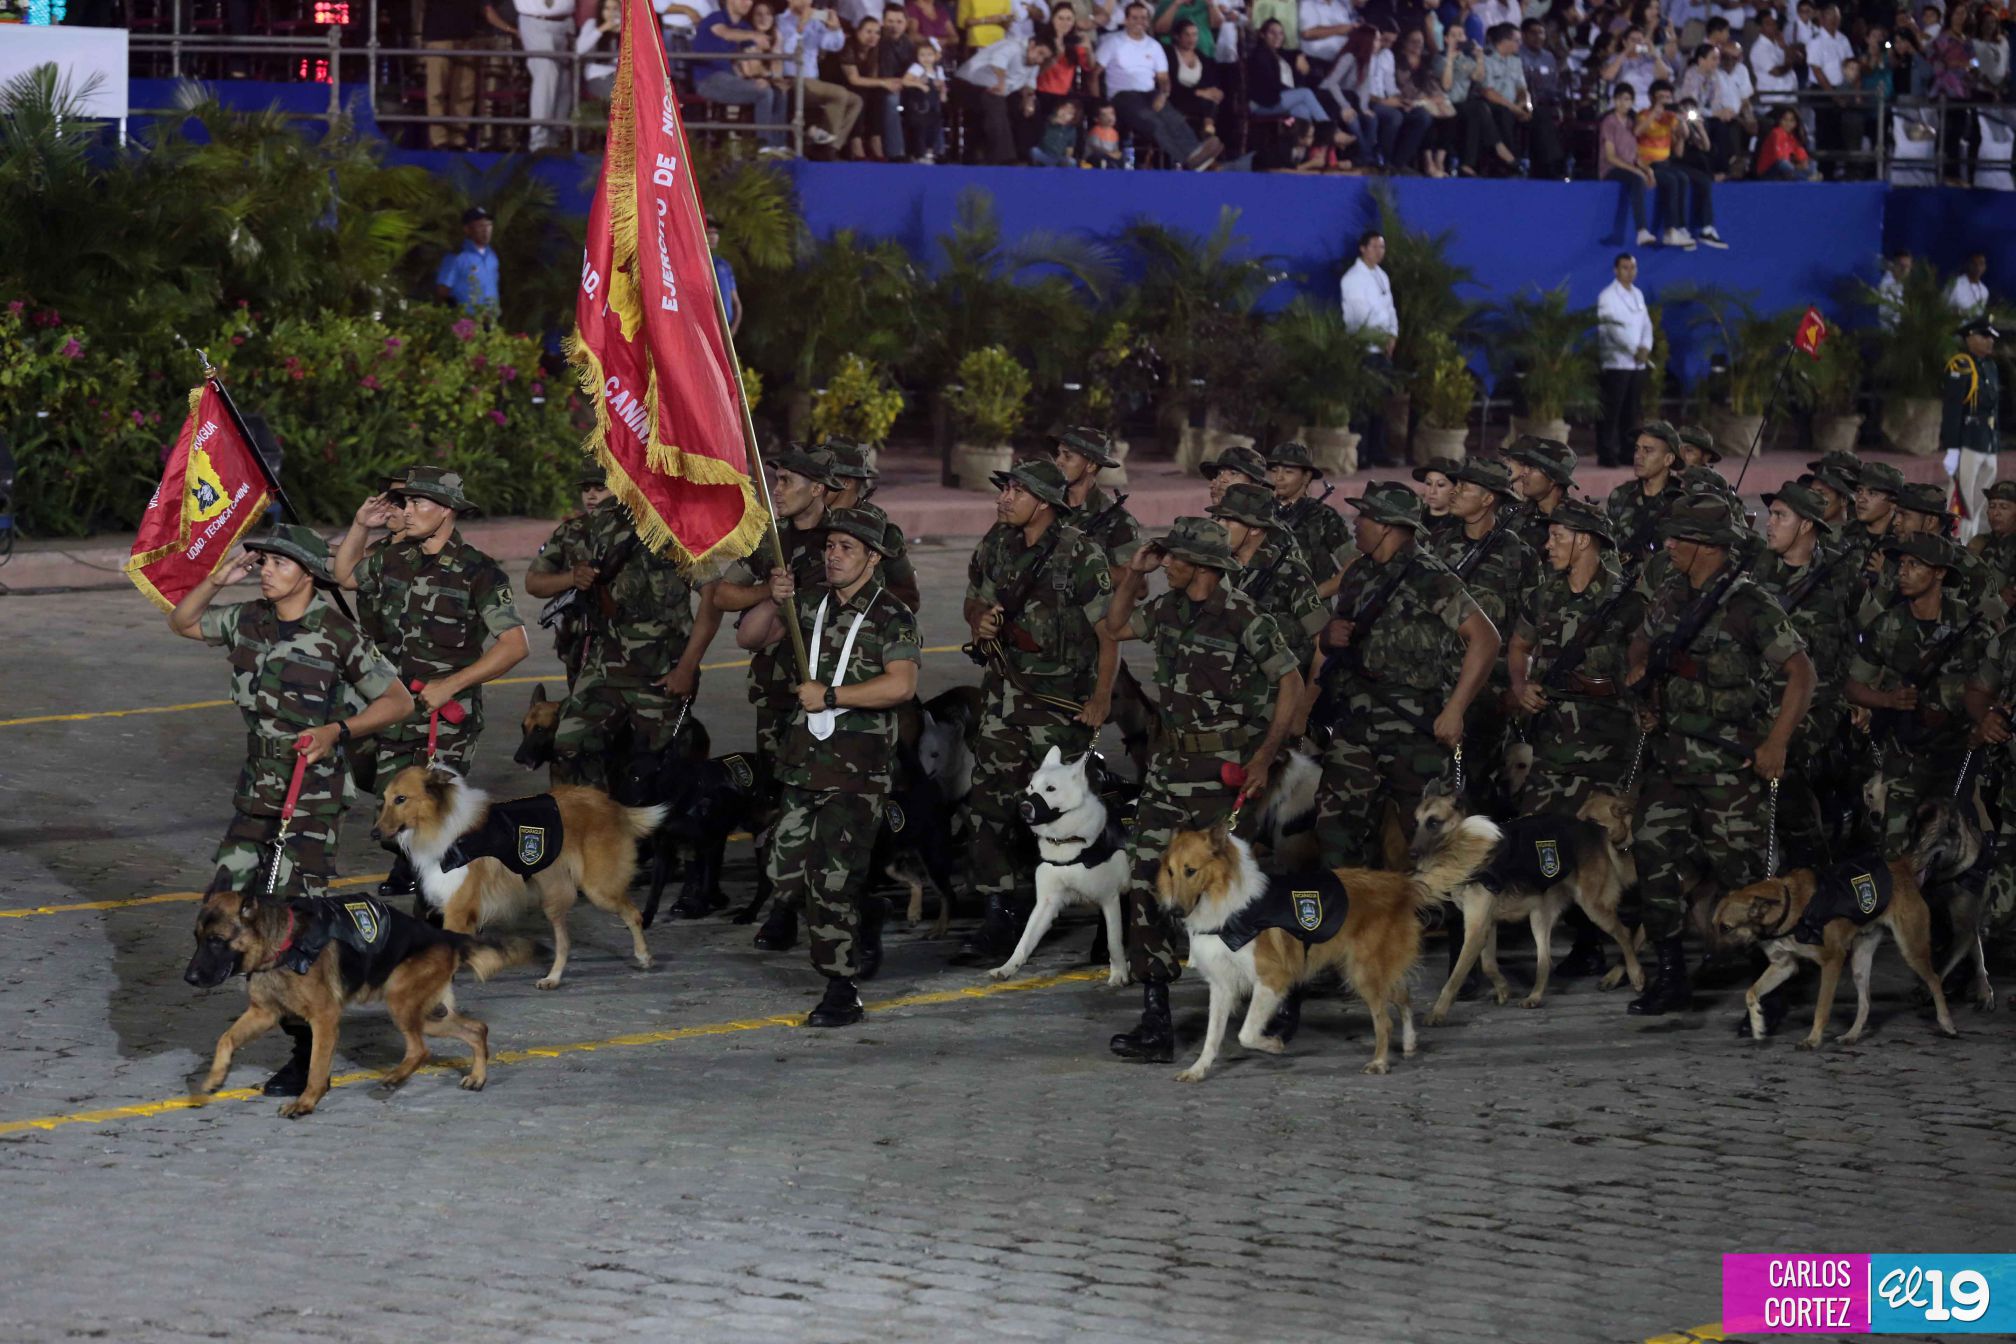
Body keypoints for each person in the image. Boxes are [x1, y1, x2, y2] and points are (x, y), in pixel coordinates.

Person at [167, 525, 413, 1095]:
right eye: (264, 561)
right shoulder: (246, 618)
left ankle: (306, 1055)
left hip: (312, 795)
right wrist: (216, 579)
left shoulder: (335, 633)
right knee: (223, 897)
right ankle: (240, 985)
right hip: (258, 786)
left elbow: (398, 701)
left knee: (295, 924)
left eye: (279, 562)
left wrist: (338, 729)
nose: (266, 569)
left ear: (307, 572)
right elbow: (182, 622)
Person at [1094, 517, 1302, 1064]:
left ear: (1204, 566)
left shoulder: (1243, 617)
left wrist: (1263, 755)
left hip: (1224, 773)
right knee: (1146, 873)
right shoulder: (1167, 608)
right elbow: (1113, 628)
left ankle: (1272, 993)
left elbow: (1291, 682)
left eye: (1176, 558)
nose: (1167, 564)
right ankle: (1156, 1014)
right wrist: (1131, 577)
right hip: (1170, 767)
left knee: (1232, 891)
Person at [1623, 498, 1813, 1017]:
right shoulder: (1670, 592)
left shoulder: (1749, 604)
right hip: (1671, 756)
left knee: (1744, 878)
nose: (1671, 546)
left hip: (1729, 766)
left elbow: (1802, 674)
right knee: (1650, 852)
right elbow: (1640, 644)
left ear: (1708, 547)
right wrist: (1641, 678)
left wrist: (1776, 743)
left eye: (1680, 538)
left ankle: (1770, 983)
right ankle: (1670, 976)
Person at [743, 505, 920, 1027]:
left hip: (856, 771)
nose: (833, 555)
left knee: (833, 882)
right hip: (804, 762)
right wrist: (771, 598)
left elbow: (902, 684)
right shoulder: (811, 603)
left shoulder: (891, 615)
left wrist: (835, 694)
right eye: (830, 546)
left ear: (872, 556)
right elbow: (749, 637)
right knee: (781, 870)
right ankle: (865, 914)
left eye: (846, 548)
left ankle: (840, 987)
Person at [667, 446, 841, 949]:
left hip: (836, 692)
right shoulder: (772, 540)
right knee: (779, 801)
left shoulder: (847, 538)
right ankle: (783, 905)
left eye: (787, 481)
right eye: (777, 479)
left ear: (819, 489)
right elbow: (720, 594)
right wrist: (768, 591)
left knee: (832, 800)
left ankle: (834, 905)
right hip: (778, 692)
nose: (778, 489)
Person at [954, 460, 1115, 965]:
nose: (1003, 498)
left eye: (1015, 491)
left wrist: (1101, 699)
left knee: (1064, 813)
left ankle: (1101, 907)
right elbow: (972, 602)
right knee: (990, 804)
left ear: (1043, 502)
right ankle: (1000, 911)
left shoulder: (1081, 555)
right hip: (1004, 698)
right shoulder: (996, 544)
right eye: (1004, 489)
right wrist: (981, 621)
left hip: (1059, 708)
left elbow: (1109, 635)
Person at [1303, 482, 1500, 870]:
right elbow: (1337, 640)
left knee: (1429, 839)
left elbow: (1486, 639)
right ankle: (1348, 916)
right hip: (1356, 722)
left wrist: (1456, 710)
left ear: (1389, 526)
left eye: (1365, 516)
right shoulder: (1358, 573)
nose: (1355, 523)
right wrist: (1329, 636)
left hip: (1415, 730)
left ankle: (1435, 924)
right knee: (1336, 828)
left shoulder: (1429, 576)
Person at [1848, 533, 1986, 856]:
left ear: (1939, 573)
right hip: (1905, 758)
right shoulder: (1888, 625)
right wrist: (1887, 700)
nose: (1903, 572)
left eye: (1915, 564)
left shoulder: (1969, 625)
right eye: (1901, 564)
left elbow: (1996, 684)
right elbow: (1853, 684)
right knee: (1895, 852)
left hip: (1958, 757)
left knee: (1960, 852)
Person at [1508, 497, 1645, 817]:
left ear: (1583, 540)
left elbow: (1643, 662)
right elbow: (1518, 646)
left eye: (1558, 536)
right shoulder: (1544, 596)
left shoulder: (1626, 601)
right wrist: (1520, 685)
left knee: (1596, 848)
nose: (1548, 546)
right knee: (1540, 845)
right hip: (1549, 751)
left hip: (1606, 754)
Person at [1751, 480, 1855, 874]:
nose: (1769, 523)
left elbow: (1864, 641)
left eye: (1780, 516)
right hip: (1760, 701)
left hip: (1816, 708)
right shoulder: (1754, 570)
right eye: (1770, 514)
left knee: (1786, 767)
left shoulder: (1840, 578)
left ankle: (1814, 874)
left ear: (1807, 525)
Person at [1434, 458, 1533, 816]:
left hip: (1490, 691)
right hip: (1438, 683)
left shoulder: (1517, 556)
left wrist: (1518, 685)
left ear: (1489, 499)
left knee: (1481, 788)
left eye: (1467, 487)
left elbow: (1533, 627)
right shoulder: (1438, 545)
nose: (1456, 492)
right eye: (1456, 485)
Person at [1210, 481, 1328, 669]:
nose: (1219, 526)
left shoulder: (1289, 573)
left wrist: (1305, 698)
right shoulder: (1217, 567)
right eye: (1218, 518)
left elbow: (1323, 643)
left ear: (1255, 528)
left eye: (1229, 520)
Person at [1095, 2, 1224, 167]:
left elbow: (1163, 78)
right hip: (1122, 95)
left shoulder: (1154, 46)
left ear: (1148, 21)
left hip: (1149, 92)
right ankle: (1188, 160)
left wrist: (1163, 94)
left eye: (1143, 18)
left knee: (1173, 117)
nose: (1139, 21)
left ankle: (1196, 153)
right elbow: (1094, 74)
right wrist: (1099, 102)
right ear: (1126, 20)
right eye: (1134, 18)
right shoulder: (1113, 42)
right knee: (1153, 122)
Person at [525, 464, 616, 691]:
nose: (592, 495)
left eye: (600, 488)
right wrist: (571, 579)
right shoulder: (570, 532)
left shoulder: (640, 532)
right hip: (581, 645)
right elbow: (533, 583)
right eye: (586, 489)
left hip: (629, 647)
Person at [823, 437, 923, 609]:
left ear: (846, 482)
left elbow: (910, 597)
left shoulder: (879, 529)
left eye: (823, 476)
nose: (816, 483)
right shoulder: (809, 519)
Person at [695, 0, 791, 155]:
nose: (748, 3)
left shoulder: (744, 27)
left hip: (733, 79)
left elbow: (753, 64)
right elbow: (726, 33)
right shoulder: (715, 18)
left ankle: (779, 146)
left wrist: (770, 77)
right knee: (764, 92)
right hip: (709, 80)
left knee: (778, 91)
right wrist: (753, 35)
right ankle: (763, 146)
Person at [1339, 229, 1398, 469]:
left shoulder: (1382, 276)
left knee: (1381, 404)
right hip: (1365, 348)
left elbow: (1389, 308)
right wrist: (1379, 336)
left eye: (1382, 247)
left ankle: (1377, 452)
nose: (1379, 251)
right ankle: (1361, 454)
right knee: (1362, 406)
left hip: (1383, 348)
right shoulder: (1352, 278)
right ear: (1362, 248)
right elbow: (1361, 315)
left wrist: (1392, 334)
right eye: (1374, 246)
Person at [777, 0, 865, 154]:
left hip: (814, 81)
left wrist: (835, 28)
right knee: (838, 94)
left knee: (856, 101)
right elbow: (788, 51)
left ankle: (831, 147)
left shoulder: (815, 21)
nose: (806, 2)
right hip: (793, 79)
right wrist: (801, 26)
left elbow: (832, 45)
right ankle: (822, 144)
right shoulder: (781, 21)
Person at [1945, 316, 2002, 544]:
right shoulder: (1961, 365)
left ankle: (1970, 542)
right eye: (1984, 336)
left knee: (1981, 499)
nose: (1990, 342)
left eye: (1991, 337)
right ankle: (1955, 542)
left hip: (1988, 441)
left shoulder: (1990, 366)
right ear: (1970, 338)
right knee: (1962, 499)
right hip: (1968, 440)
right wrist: (1952, 448)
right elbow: (1952, 409)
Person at [957, 33, 1056, 163]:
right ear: (1032, 45)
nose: (1040, 60)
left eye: (1044, 58)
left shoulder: (1033, 63)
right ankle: (1004, 158)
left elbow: (1029, 84)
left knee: (1030, 108)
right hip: (968, 85)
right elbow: (998, 63)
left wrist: (1029, 100)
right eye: (1040, 53)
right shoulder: (1012, 46)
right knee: (995, 101)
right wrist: (1000, 83)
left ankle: (1025, 154)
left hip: (999, 91)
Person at [1595, 252, 1654, 469]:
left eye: (1632, 268)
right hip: (1616, 363)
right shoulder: (1607, 296)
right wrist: (1632, 349)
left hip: (1636, 364)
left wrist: (1645, 347)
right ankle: (1606, 452)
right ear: (1616, 270)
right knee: (1612, 411)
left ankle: (1628, 451)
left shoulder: (1638, 294)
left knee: (1631, 411)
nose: (1629, 272)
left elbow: (1646, 324)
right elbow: (1611, 329)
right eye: (1625, 268)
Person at [1269, 441, 1351, 597]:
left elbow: (1354, 563)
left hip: (1308, 616)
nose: (1279, 477)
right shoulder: (1261, 512)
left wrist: (1318, 594)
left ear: (1306, 477)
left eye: (1288, 471)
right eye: (1274, 470)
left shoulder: (1323, 516)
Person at [1605, 419, 1682, 563]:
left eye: (1648, 450)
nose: (1638, 456)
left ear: (1668, 459)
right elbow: (1607, 548)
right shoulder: (1620, 495)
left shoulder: (1681, 501)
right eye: (1637, 449)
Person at [1599, 82, 1659, 248]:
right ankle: (1641, 230)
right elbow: (1610, 156)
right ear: (1614, 101)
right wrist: (1637, 172)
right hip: (1610, 169)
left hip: (1628, 167)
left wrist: (1647, 170)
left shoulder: (1632, 123)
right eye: (1619, 99)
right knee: (1636, 179)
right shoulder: (1609, 122)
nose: (1623, 103)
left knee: (1647, 177)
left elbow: (1635, 156)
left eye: (1627, 99)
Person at [514, 0, 578, 151]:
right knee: (546, 73)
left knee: (564, 82)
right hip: (535, 21)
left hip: (565, 22)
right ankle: (539, 144)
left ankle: (555, 141)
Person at [1502, 435, 1578, 559]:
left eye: (1532, 467)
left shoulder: (1580, 522)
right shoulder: (1512, 514)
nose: (1524, 472)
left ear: (1552, 479)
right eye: (1525, 465)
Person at [435, 207, 501, 312]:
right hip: (466, 323)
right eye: (480, 226)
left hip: (491, 320)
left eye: (489, 225)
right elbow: (442, 292)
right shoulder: (456, 257)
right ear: (467, 229)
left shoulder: (492, 256)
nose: (486, 230)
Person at [903, 40, 949, 160]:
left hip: (934, 104)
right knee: (920, 129)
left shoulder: (938, 70)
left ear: (935, 56)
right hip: (920, 105)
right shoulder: (917, 68)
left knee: (935, 127)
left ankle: (936, 151)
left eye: (929, 55)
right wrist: (920, 85)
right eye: (922, 55)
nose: (926, 58)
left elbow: (943, 85)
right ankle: (919, 153)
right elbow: (905, 81)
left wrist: (943, 92)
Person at [1754, 103, 1819, 178]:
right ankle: (1804, 177)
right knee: (1783, 164)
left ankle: (1805, 176)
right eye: (1785, 120)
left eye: (1791, 121)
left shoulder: (1793, 138)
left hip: (1788, 170)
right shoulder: (1776, 133)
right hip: (1768, 171)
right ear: (1779, 120)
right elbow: (1780, 159)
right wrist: (1797, 167)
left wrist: (1803, 162)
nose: (1788, 124)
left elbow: (1802, 156)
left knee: (1810, 165)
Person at [1412, 456, 1463, 544]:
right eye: (1428, 483)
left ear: (1455, 489)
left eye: (1441, 485)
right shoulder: (1411, 516)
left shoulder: (1462, 525)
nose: (1432, 491)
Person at [1031, 97, 1084, 162]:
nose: (1065, 113)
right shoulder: (1049, 119)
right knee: (1034, 151)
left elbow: (1070, 149)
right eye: (1064, 108)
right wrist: (1055, 120)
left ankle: (1053, 167)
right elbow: (1049, 120)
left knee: (1072, 162)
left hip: (1058, 158)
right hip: (1044, 154)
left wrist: (1066, 158)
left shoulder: (1072, 130)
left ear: (1073, 117)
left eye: (1069, 113)